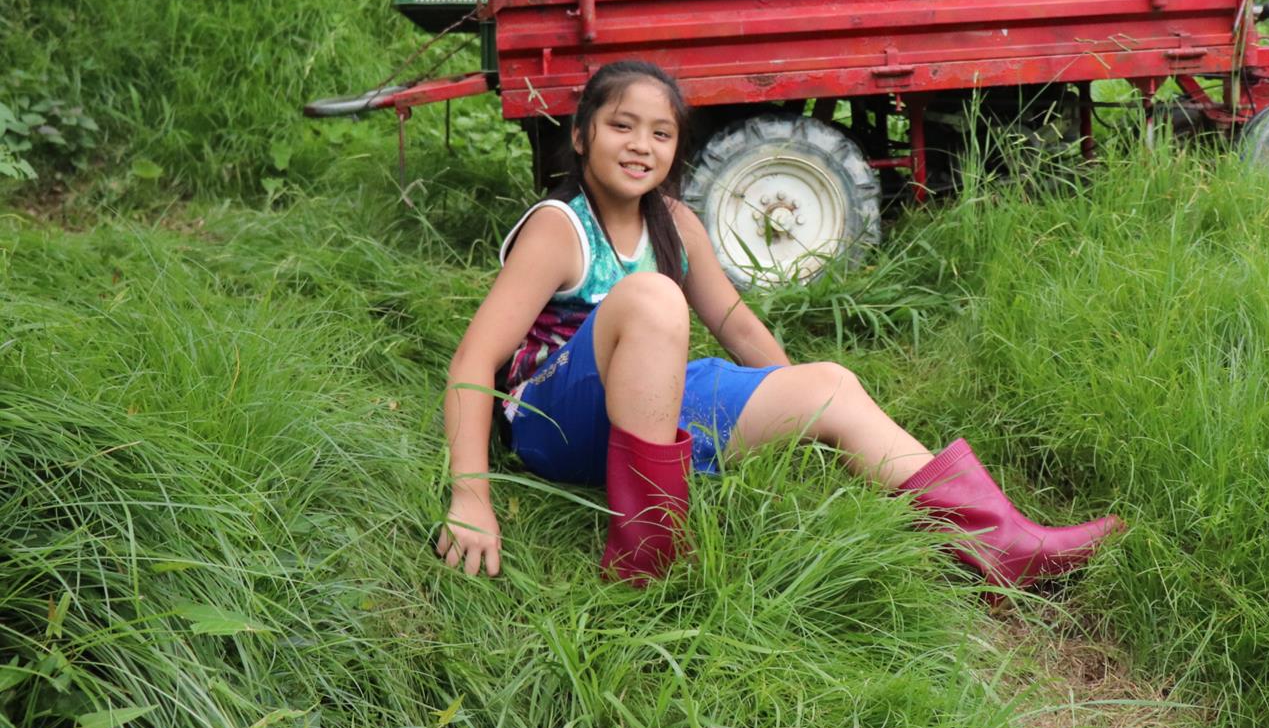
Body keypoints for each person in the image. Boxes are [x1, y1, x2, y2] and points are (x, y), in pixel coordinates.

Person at [435, 60, 1124, 586]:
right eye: (621, 126)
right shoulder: (560, 228)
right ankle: (646, 555)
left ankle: (1000, 546)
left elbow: (738, 331)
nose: (641, 144)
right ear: (582, 136)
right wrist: (471, 496)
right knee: (652, 299)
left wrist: (796, 410)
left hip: (645, 404)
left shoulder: (673, 222)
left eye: (662, 132)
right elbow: (473, 361)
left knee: (829, 383)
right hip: (557, 422)